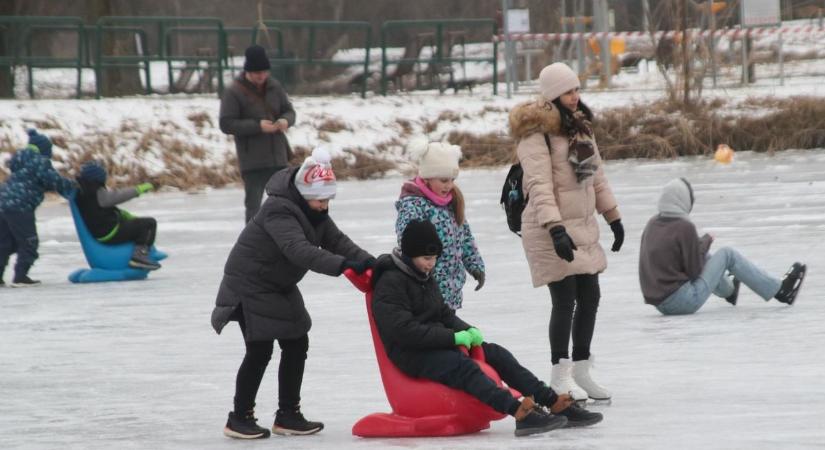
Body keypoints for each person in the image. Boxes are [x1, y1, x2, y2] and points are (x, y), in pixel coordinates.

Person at [372, 220, 603, 437]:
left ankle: (553, 401)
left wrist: (469, 331)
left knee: (496, 354)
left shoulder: (422, 275)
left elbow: (442, 313)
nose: (431, 264)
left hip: (435, 343)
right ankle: (519, 411)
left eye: (434, 258)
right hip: (411, 354)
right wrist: (452, 338)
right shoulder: (391, 282)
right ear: (410, 254)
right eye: (426, 258)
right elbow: (403, 331)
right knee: (465, 367)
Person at [211, 148, 375, 440]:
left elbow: (337, 241)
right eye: (320, 200)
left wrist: (371, 263)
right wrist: (344, 266)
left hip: (277, 284)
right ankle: (239, 417)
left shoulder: (314, 211)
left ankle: (288, 414)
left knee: (297, 343)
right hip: (250, 285)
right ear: (303, 192)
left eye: (328, 200)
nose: (324, 206)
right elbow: (298, 251)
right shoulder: (279, 209)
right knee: (259, 350)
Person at [508, 62, 623, 404]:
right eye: (569, 91)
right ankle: (560, 376)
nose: (576, 96)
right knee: (565, 299)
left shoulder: (580, 128)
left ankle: (582, 369)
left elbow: (595, 177)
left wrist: (613, 216)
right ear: (553, 95)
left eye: (577, 90)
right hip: (547, 228)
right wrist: (555, 229)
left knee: (590, 296)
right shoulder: (535, 133)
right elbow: (539, 185)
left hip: (581, 226)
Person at [639, 177, 806, 314]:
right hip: (682, 301)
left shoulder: (652, 224)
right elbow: (694, 272)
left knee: (705, 253)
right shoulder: (684, 227)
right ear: (683, 201)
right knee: (727, 254)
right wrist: (705, 244)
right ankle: (781, 291)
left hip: (661, 304)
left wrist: (700, 246)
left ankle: (729, 290)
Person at [395, 138, 484, 310]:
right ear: (427, 178)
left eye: (452, 180)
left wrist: (475, 266)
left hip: (451, 289)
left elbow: (465, 238)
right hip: (426, 289)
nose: (449, 186)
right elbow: (407, 243)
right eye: (443, 180)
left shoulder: (452, 203)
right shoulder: (413, 204)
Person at [220, 44, 296, 223]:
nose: (261, 76)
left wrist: (286, 120)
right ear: (248, 71)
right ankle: (254, 245)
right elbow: (226, 123)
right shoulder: (234, 91)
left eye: (264, 72)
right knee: (254, 207)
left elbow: (289, 111)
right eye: (256, 73)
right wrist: (258, 126)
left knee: (285, 204)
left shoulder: (275, 87)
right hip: (253, 161)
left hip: (278, 158)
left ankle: (286, 239)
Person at [0, 129, 75, 287]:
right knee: (29, 242)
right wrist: (72, 188)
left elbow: (34, 181)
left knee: (5, 243)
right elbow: (54, 180)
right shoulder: (39, 161)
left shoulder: (20, 161)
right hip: (20, 206)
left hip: (3, 204)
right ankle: (20, 277)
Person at [74, 161, 159, 270]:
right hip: (109, 231)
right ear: (98, 178)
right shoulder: (95, 191)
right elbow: (116, 196)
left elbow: (99, 209)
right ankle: (139, 257)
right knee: (149, 224)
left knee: (136, 222)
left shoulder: (83, 191)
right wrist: (137, 190)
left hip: (102, 230)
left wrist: (122, 214)